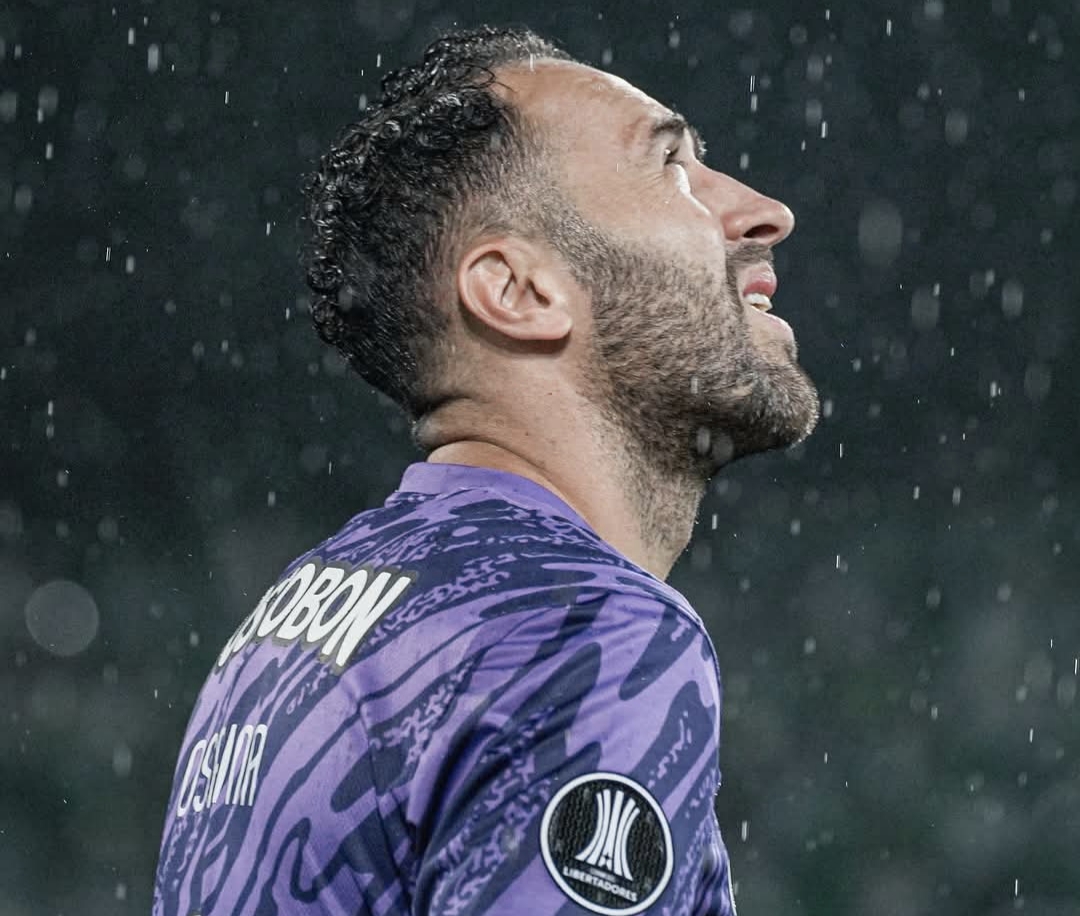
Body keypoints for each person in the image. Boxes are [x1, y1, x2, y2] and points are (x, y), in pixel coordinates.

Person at [153, 24, 819, 916]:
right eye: (671, 168)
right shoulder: (578, 624)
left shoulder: (290, 624)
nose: (764, 211)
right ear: (519, 291)